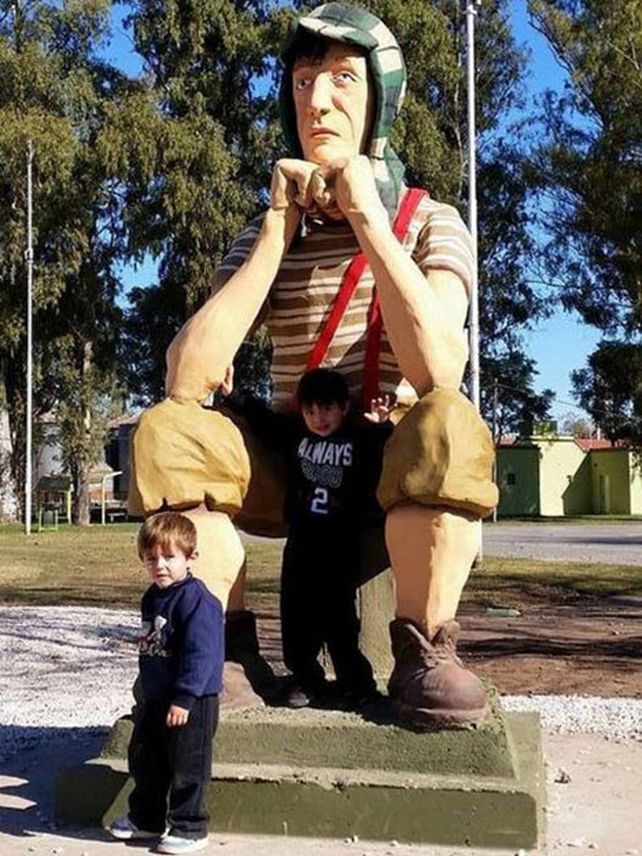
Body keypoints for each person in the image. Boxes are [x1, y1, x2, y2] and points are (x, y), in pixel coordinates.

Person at [129, 2, 498, 728]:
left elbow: (441, 370)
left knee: (448, 426)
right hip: (293, 463)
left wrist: (368, 219)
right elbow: (187, 374)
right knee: (168, 430)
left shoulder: (430, 221)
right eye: (301, 81)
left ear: (378, 100)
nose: (317, 102)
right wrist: (275, 230)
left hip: (382, 462)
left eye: (339, 79)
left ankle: (427, 649)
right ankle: (222, 646)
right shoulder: (268, 229)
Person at [228, 368, 391, 709]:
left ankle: (356, 683)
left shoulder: (357, 439)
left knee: (340, 619)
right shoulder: (294, 435)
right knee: (296, 616)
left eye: (327, 409)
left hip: (341, 543)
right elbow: (263, 422)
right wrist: (235, 396)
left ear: (344, 407)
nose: (319, 418)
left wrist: (380, 424)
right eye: (311, 411)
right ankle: (306, 678)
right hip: (301, 542)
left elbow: (381, 455)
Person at [108, 512, 223, 855]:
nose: (159, 564)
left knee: (188, 763)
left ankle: (190, 826)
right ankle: (146, 819)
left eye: (169, 557)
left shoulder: (197, 601)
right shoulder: (152, 597)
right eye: (151, 557)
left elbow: (201, 654)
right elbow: (152, 646)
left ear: (191, 558)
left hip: (191, 699)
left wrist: (184, 697)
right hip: (156, 697)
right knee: (146, 758)